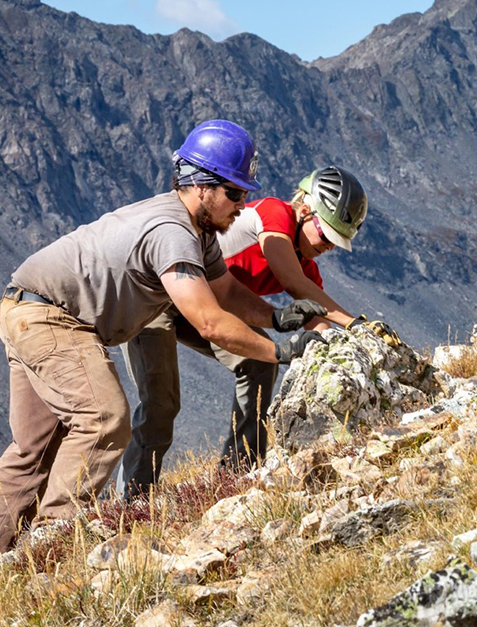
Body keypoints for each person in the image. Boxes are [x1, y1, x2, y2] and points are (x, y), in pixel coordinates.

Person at [0, 120, 325, 557]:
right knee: (103, 418)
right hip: (50, 318)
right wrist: (280, 352)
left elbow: (225, 291)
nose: (242, 204)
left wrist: (279, 317)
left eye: (245, 192)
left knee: (34, 450)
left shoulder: (199, 231)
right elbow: (208, 320)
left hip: (27, 308)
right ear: (201, 186)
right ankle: (47, 549)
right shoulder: (172, 232)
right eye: (234, 192)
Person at [120, 165, 399, 490]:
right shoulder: (274, 213)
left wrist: (353, 350)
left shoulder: (307, 267)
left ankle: (237, 474)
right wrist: (356, 324)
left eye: (338, 242)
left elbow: (319, 320)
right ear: (306, 211)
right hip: (157, 296)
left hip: (204, 307)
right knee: (161, 400)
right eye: (327, 236)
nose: (330, 248)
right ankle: (133, 499)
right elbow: (293, 284)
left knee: (260, 362)